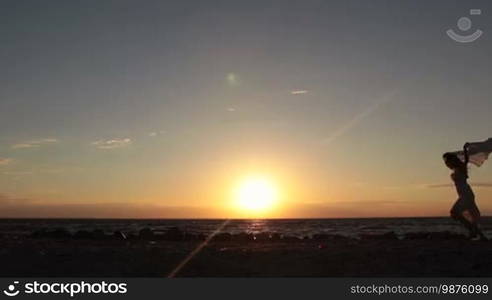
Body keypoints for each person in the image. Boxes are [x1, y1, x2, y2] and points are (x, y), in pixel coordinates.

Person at [443, 143, 487, 241]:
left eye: (447, 161)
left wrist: (465, 149)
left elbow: (466, 160)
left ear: (453, 161)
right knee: (468, 215)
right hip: (464, 195)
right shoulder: (456, 169)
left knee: (454, 213)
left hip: (466, 194)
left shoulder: (461, 167)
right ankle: (480, 235)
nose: (447, 164)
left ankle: (473, 231)